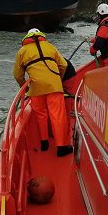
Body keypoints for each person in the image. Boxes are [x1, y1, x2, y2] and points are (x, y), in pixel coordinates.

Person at [14, 29, 73, 157]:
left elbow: (18, 75)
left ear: (27, 38)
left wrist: (26, 87)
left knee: (41, 115)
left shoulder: (22, 51)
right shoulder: (50, 46)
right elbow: (63, 65)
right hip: (54, 87)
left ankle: (44, 142)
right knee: (57, 115)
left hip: (35, 88)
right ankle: (62, 147)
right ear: (41, 36)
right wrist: (58, 80)